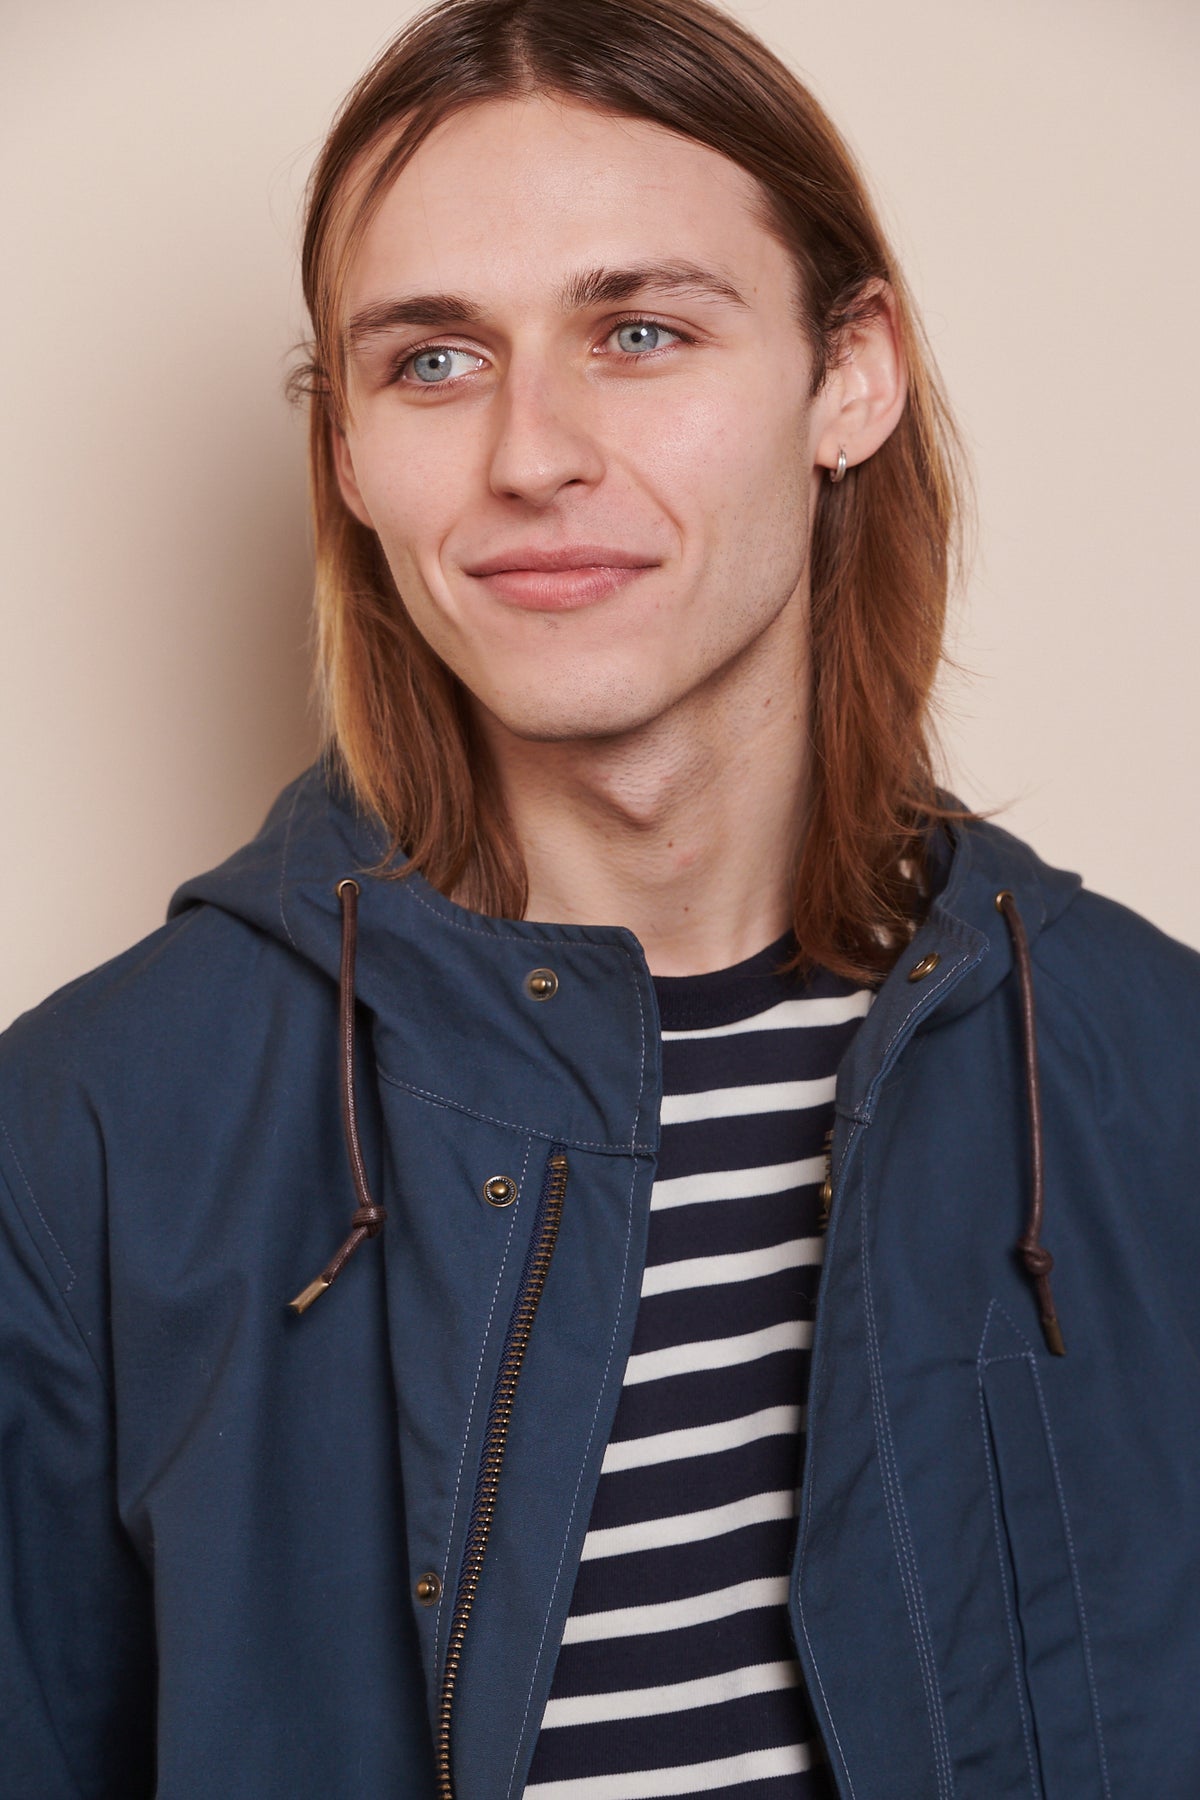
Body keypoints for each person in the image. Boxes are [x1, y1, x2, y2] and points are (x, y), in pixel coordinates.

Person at [1, 0, 1197, 1795]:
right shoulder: (88, 1138)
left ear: (848, 377)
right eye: (432, 361)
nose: (530, 454)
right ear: (347, 452)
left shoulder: (1150, 1071)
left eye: (639, 332)